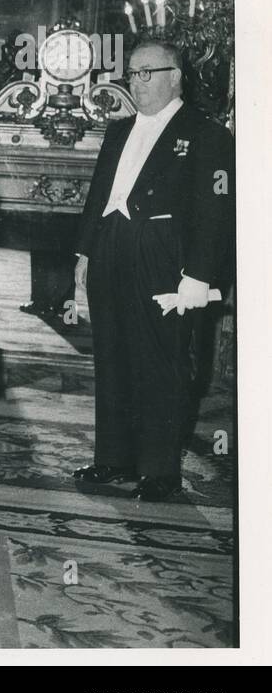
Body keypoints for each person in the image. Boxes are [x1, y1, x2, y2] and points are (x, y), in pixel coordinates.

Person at [71, 40, 234, 502]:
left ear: (175, 76)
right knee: (112, 355)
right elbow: (98, 197)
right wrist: (84, 255)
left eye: (147, 73)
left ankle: (160, 470)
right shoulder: (118, 130)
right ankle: (114, 459)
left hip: (165, 260)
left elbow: (215, 214)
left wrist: (198, 277)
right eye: (132, 74)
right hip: (110, 251)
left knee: (161, 362)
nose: (136, 83)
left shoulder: (206, 133)